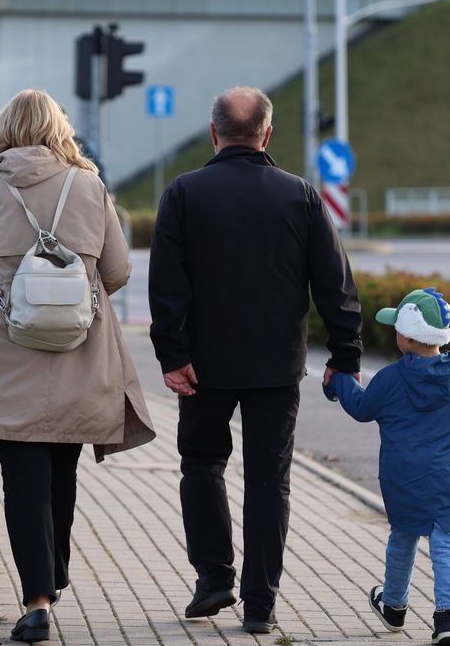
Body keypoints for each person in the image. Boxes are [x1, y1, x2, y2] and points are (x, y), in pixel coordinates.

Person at [0, 89, 156, 643]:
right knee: (62, 469)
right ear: (60, 130)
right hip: (78, 349)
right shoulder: (90, 186)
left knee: (22, 478)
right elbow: (118, 271)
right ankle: (53, 572)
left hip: (4, 351)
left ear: (3, 131)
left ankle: (38, 600)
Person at [148, 86, 363, 634]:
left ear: (213, 133)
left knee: (202, 464)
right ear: (267, 134)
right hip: (276, 366)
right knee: (270, 480)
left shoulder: (184, 193)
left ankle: (214, 578)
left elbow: (166, 286)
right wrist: (345, 354)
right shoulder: (301, 196)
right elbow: (335, 284)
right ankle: (261, 605)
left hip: (203, 367)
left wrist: (173, 354)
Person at [323, 287, 450, 646]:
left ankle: (394, 606)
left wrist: (339, 379)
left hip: (405, 479)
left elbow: (361, 408)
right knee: (447, 543)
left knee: (403, 538)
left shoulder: (390, 379)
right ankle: (447, 619)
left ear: (406, 338)